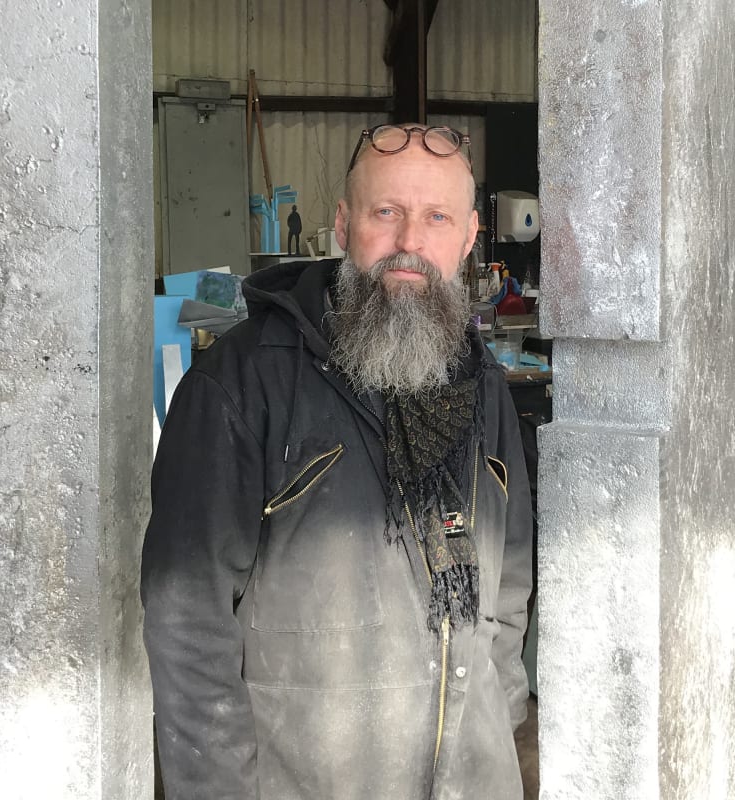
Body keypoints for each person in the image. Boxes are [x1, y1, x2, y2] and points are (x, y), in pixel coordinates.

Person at [142, 124, 533, 800]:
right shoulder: (240, 386)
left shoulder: (485, 386)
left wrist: (499, 722)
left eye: (436, 217)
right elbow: (187, 621)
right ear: (344, 224)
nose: (410, 241)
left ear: (469, 238)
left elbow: (508, 583)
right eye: (387, 212)